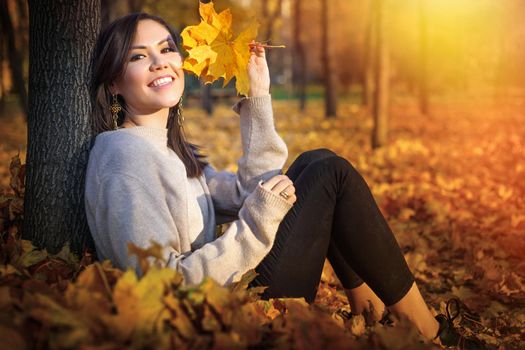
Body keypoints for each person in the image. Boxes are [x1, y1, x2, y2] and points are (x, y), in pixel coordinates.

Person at [85, 13, 485, 349]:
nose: (161, 62)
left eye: (167, 48)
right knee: (330, 175)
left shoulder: (164, 149)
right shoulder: (124, 156)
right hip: (207, 325)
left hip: (221, 297)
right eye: (139, 56)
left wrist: (258, 96)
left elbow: (247, 192)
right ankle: (429, 333)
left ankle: (375, 315)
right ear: (115, 82)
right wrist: (255, 223)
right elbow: (159, 285)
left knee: (318, 161)